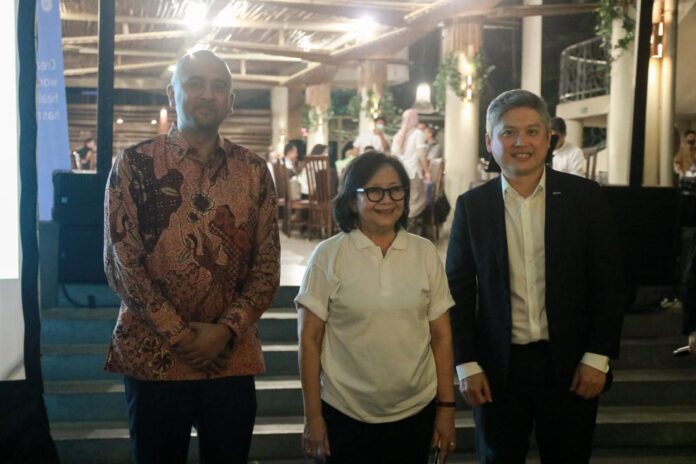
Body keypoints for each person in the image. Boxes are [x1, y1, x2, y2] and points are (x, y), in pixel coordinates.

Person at [103, 50, 281, 464]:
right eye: (195, 83)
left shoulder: (254, 171)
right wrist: (182, 337)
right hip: (154, 356)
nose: (207, 94)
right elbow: (122, 263)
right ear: (172, 94)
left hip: (230, 357)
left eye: (219, 87)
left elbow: (267, 266)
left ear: (230, 102)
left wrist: (225, 330)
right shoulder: (134, 164)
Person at [446, 89, 626, 463]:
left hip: (571, 365)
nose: (520, 143)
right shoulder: (472, 207)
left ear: (548, 139)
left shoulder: (584, 198)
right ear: (490, 142)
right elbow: (458, 293)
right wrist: (466, 363)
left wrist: (598, 355)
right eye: (508, 132)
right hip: (497, 369)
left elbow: (609, 281)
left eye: (531, 132)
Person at [296, 152, 457, 464]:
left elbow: (441, 336)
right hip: (344, 412)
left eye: (396, 190)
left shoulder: (424, 253)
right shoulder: (328, 256)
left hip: (415, 410)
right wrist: (312, 417)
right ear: (351, 200)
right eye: (374, 191)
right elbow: (309, 340)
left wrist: (446, 409)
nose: (387, 200)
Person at [392, 109, 431, 219]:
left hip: (399, 174)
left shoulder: (398, 135)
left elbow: (393, 154)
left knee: (402, 200)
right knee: (418, 199)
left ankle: (401, 221)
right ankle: (409, 222)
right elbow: (421, 154)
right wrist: (427, 171)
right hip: (413, 172)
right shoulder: (418, 134)